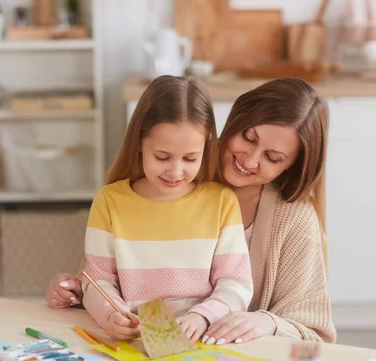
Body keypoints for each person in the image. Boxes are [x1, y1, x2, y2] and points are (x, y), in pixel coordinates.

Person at [46, 77, 337, 344]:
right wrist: (73, 292)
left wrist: (267, 322)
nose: (249, 160)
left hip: (229, 360)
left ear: (290, 166)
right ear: (235, 121)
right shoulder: (172, 179)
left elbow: (314, 332)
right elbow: (106, 280)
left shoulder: (293, 219)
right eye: (248, 138)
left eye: (272, 158)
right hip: (147, 348)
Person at [80, 75, 254, 342]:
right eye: (162, 157)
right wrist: (111, 314)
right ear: (139, 142)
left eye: (190, 158)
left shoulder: (221, 202)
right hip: (136, 341)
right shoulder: (110, 201)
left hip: (203, 340)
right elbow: (96, 281)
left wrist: (202, 316)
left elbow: (237, 284)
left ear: (205, 148)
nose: (175, 171)